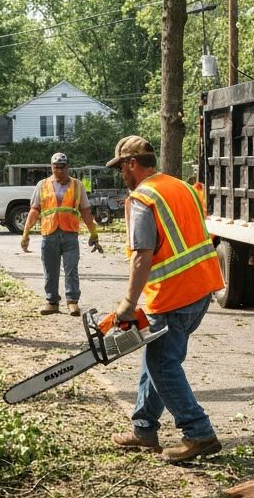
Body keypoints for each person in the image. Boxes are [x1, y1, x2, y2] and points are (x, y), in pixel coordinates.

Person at [106, 135, 224, 463]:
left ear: (132, 163)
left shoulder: (143, 198)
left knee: (163, 364)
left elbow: (142, 256)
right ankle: (144, 428)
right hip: (202, 288)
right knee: (157, 359)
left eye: (121, 168)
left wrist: (128, 305)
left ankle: (198, 432)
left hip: (174, 294)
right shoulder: (180, 187)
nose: (121, 176)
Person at [21, 152, 102, 316]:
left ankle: (72, 302)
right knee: (50, 269)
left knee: (71, 269)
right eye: (56, 167)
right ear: (51, 167)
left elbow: (86, 211)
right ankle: (52, 302)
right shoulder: (42, 185)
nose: (59, 170)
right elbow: (35, 209)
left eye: (62, 167)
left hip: (70, 234)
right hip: (49, 233)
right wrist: (26, 233)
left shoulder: (78, 185)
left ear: (67, 167)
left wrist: (94, 233)